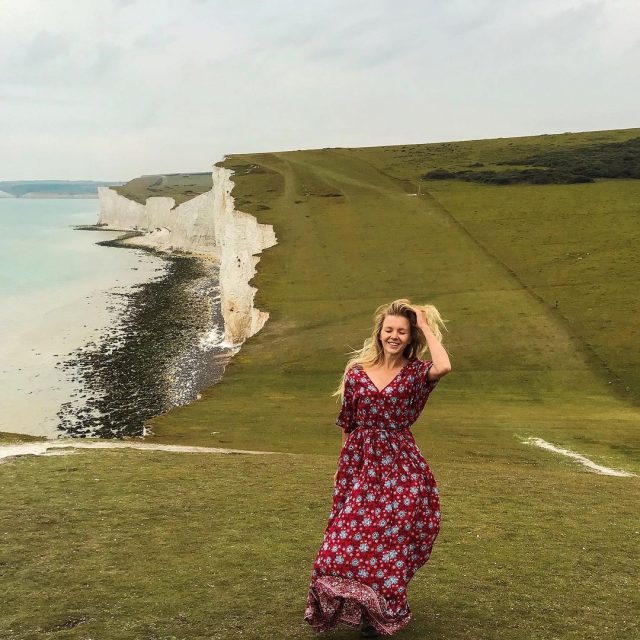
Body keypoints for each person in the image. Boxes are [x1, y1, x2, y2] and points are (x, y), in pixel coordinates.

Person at [304, 299, 452, 637]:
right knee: (341, 542)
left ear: (410, 336)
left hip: (401, 469)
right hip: (361, 466)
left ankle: (376, 616)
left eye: (402, 331)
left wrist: (425, 324)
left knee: (387, 544)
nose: (394, 336)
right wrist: (343, 466)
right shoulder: (356, 371)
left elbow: (443, 366)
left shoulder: (416, 372)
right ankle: (346, 603)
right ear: (379, 332)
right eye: (389, 330)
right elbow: (348, 423)